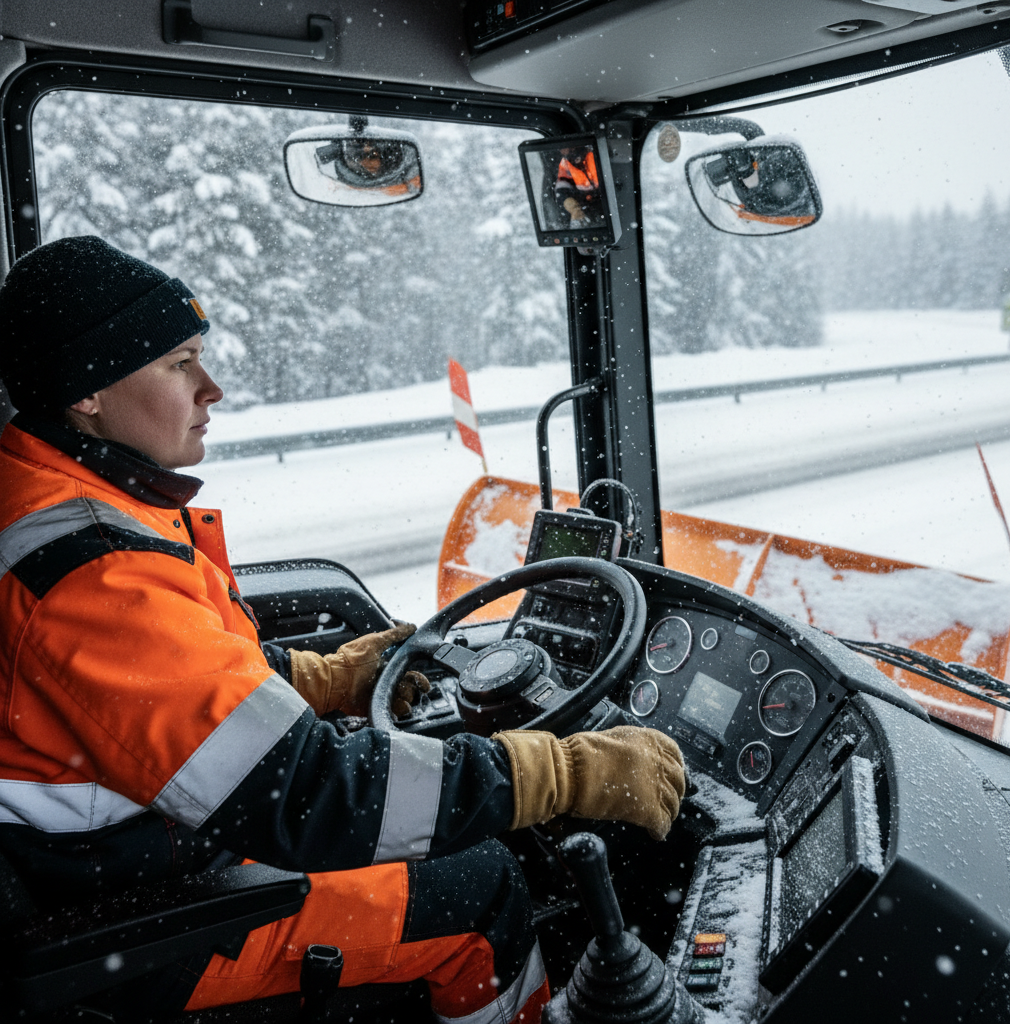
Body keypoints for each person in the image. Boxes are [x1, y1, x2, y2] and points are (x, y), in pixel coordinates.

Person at [0, 236, 687, 1021]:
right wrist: (553, 775)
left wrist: (325, 678)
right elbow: (304, 793)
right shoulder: (93, 569)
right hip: (139, 910)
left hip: (132, 853)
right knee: (483, 885)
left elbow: (167, 702)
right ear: (88, 391)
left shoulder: (62, 499)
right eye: (180, 363)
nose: (212, 388)